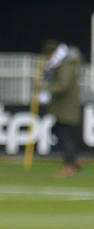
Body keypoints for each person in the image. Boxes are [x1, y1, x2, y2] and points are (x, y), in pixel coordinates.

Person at [40, 40, 85, 176]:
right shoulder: (61, 65)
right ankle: (74, 160)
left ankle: (70, 165)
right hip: (64, 108)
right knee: (59, 131)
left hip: (67, 108)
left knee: (66, 136)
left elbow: (63, 86)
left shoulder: (65, 65)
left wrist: (45, 88)